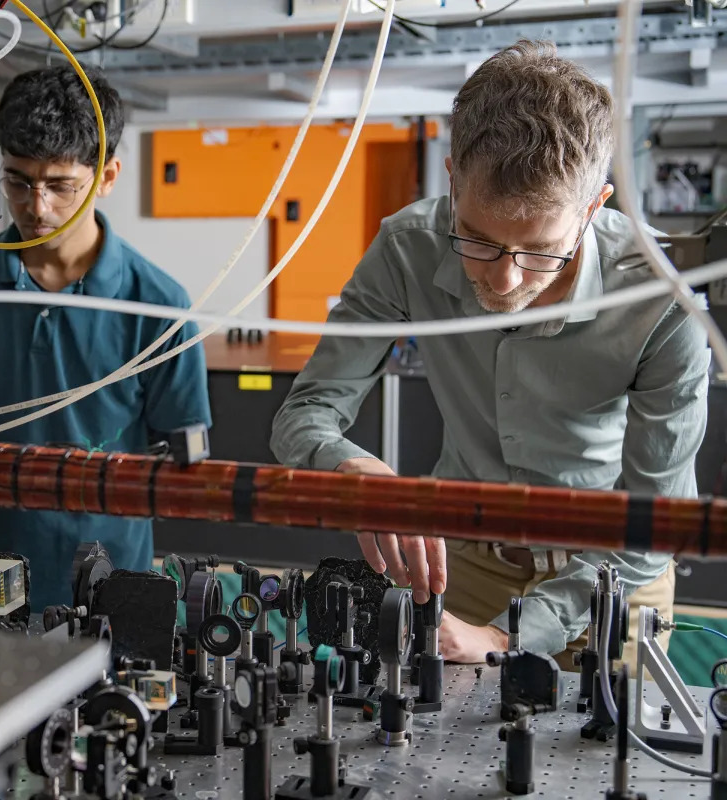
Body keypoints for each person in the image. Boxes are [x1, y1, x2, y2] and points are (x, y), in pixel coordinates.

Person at [270, 40, 710, 667]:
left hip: (615, 573)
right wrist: (353, 472)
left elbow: (659, 524)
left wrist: (509, 637)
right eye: (476, 240)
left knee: (615, 758)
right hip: (463, 565)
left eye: (539, 250)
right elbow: (304, 414)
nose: (504, 281)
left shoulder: (662, 292)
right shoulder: (407, 249)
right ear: (451, 178)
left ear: (594, 207)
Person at [0, 66, 212, 609]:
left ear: (107, 177)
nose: (36, 207)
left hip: (106, 593)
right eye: (19, 182)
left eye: (60, 185)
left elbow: (187, 464)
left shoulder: (159, 306)